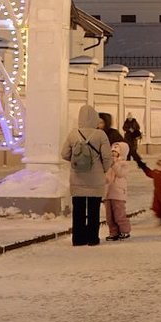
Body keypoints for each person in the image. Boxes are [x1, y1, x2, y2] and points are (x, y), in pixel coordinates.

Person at [60, 104, 112, 246]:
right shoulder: (100, 135)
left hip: (77, 177)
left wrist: (77, 162)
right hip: (95, 178)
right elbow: (107, 157)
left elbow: (64, 154)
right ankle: (92, 238)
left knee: (78, 209)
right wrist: (103, 169)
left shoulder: (73, 134)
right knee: (94, 210)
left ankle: (78, 238)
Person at [104, 142, 132, 241]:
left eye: (116, 152)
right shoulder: (109, 164)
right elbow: (106, 177)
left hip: (118, 193)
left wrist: (114, 164)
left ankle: (125, 231)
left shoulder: (124, 164)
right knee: (109, 216)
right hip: (108, 193)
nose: (113, 154)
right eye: (112, 152)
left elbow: (120, 173)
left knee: (119, 214)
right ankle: (113, 232)